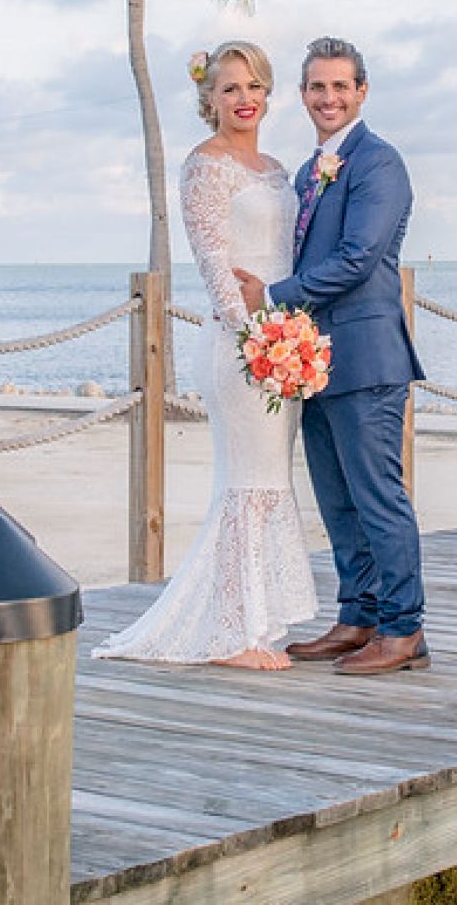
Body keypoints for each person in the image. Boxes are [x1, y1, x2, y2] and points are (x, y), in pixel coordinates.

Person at [95, 42, 316, 670]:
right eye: (228, 89)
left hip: (286, 346)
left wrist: (295, 340)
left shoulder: (277, 168)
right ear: (209, 99)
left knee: (270, 483)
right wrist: (258, 341)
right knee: (246, 482)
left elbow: (290, 260)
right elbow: (216, 263)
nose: (243, 99)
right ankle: (231, 635)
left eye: (253, 87)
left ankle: (254, 618)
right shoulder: (204, 166)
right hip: (241, 348)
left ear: (267, 94)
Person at [234, 36, 428, 675]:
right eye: (317, 87)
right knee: (337, 500)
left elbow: (358, 258)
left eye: (341, 86)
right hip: (312, 362)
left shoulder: (379, 164)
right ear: (303, 94)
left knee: (377, 497)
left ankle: (403, 631)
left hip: (368, 360)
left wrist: (273, 296)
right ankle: (358, 615)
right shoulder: (307, 169)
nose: (329, 97)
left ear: (362, 91)